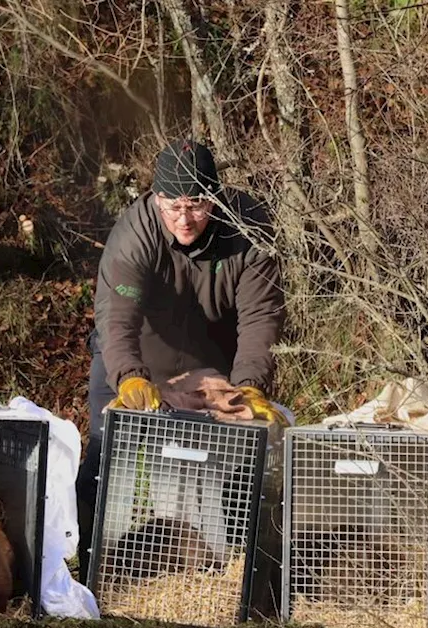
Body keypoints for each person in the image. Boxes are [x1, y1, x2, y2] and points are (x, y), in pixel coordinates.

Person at [76, 138, 288, 581]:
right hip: (135, 356)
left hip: (211, 359)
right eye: (173, 206)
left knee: (242, 444)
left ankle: (234, 570)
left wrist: (248, 383)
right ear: (156, 200)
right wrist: (132, 378)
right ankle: (88, 564)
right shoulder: (135, 233)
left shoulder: (251, 229)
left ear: (217, 200)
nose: (184, 219)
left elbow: (261, 318)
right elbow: (117, 318)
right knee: (104, 447)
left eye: (196, 205)